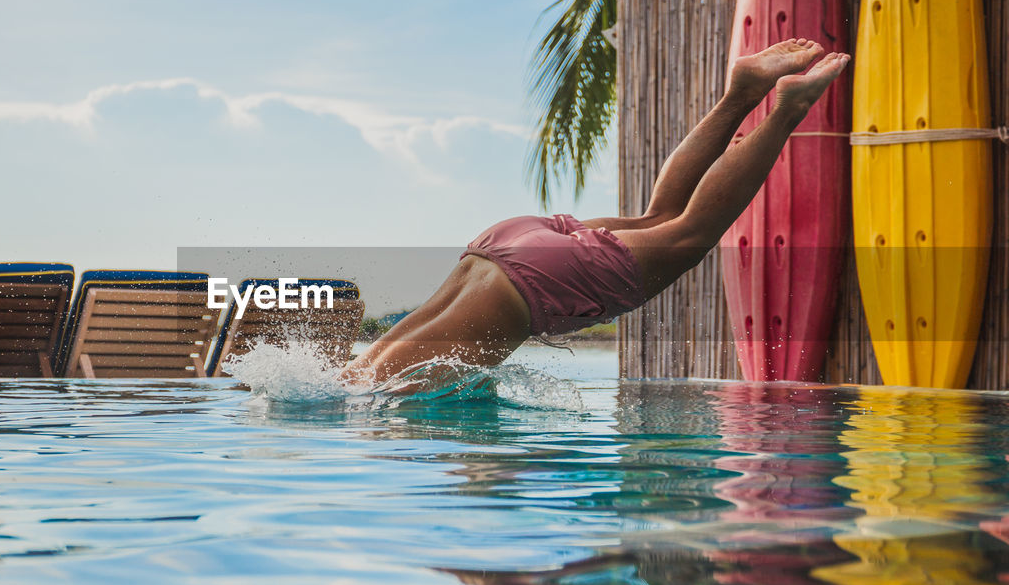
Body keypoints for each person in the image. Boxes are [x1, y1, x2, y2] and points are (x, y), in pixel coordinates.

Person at [341, 40, 850, 385]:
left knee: (690, 233)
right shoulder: (353, 375)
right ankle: (740, 94)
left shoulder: (377, 403)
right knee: (662, 216)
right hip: (499, 246)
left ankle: (785, 108)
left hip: (528, 282)